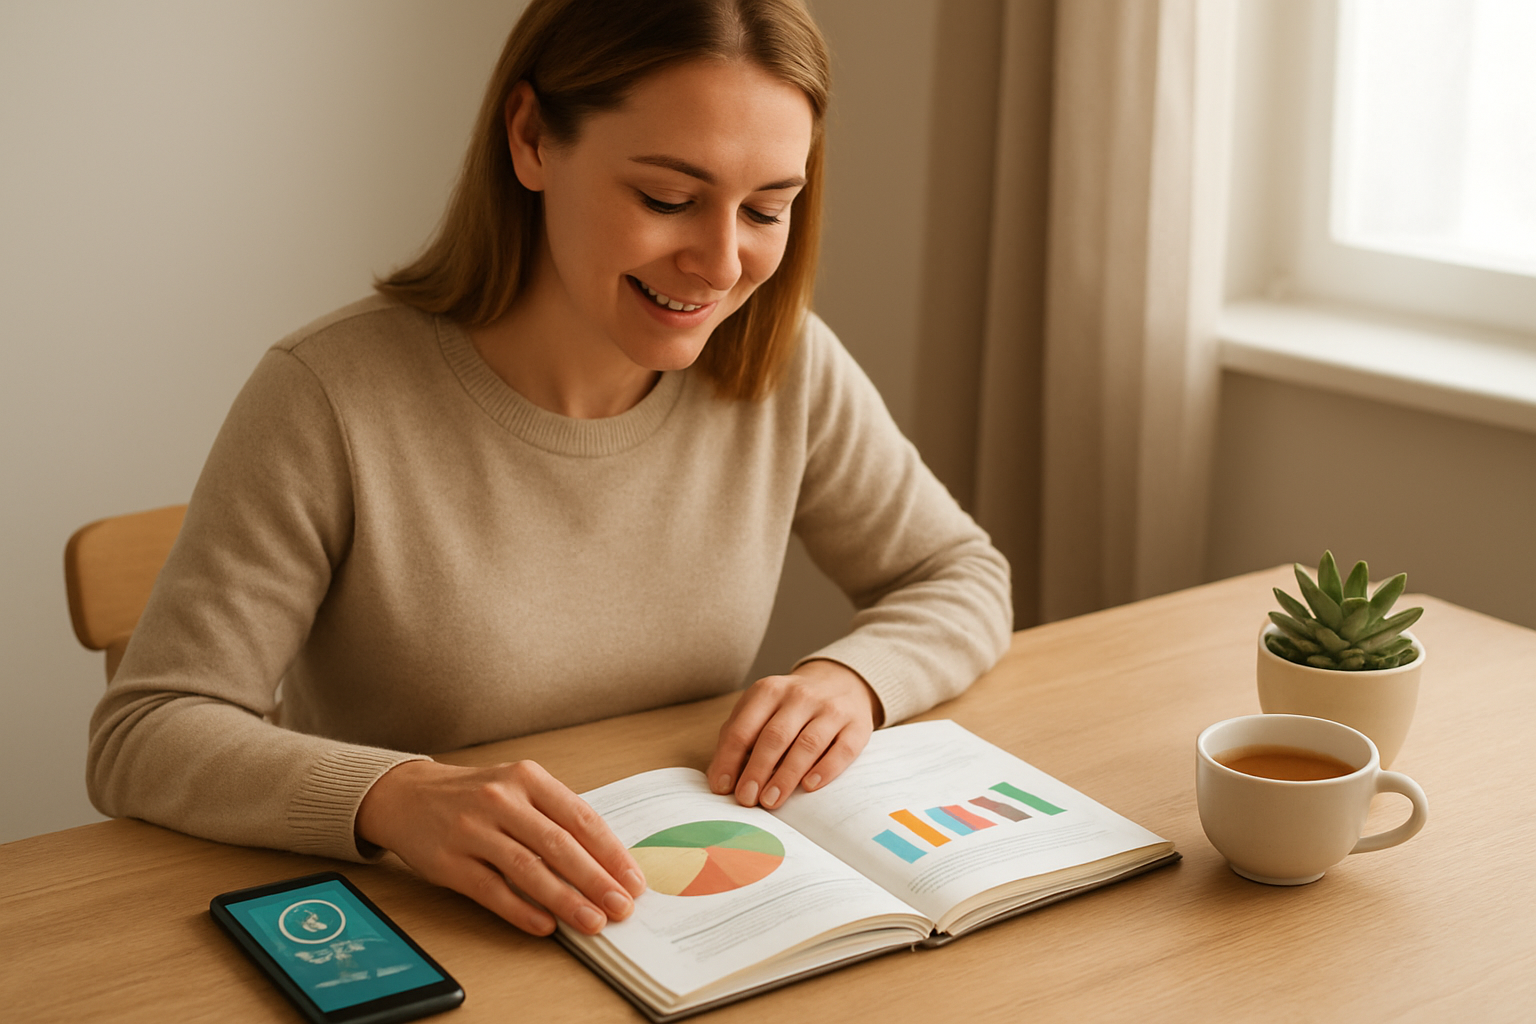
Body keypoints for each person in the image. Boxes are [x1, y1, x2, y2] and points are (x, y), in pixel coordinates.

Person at [88, 0, 1011, 941]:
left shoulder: (781, 364)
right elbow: (147, 730)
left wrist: (853, 680)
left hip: (685, 915)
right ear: (531, 139)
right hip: (438, 924)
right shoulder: (327, 395)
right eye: (666, 198)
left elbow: (959, 574)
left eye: (768, 208)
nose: (721, 263)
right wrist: (394, 796)